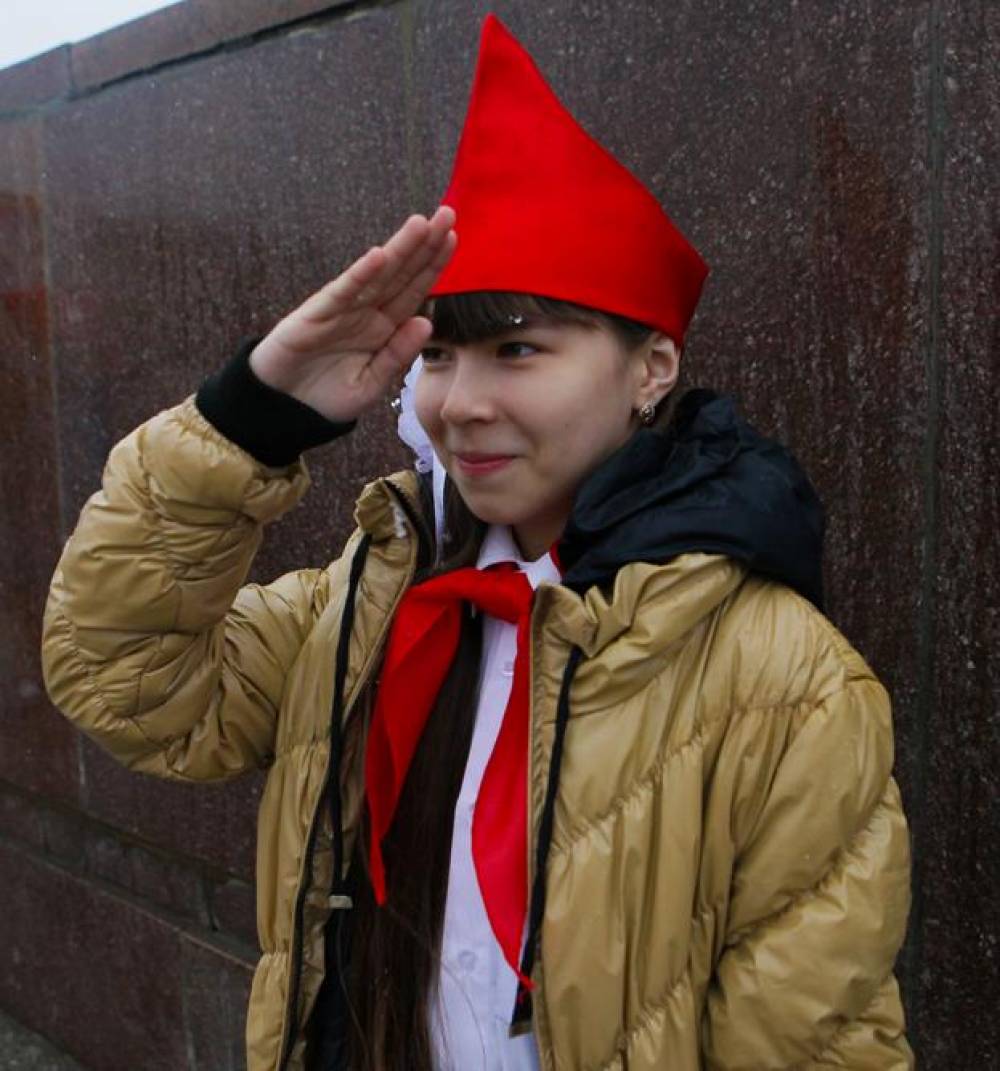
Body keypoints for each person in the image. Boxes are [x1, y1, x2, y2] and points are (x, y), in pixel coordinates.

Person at [41, 13, 913, 1071]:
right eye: (441, 355)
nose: (461, 404)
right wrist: (249, 417)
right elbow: (125, 684)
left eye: (517, 349)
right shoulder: (366, 603)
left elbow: (811, 1043)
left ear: (651, 368)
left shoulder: (784, 682)